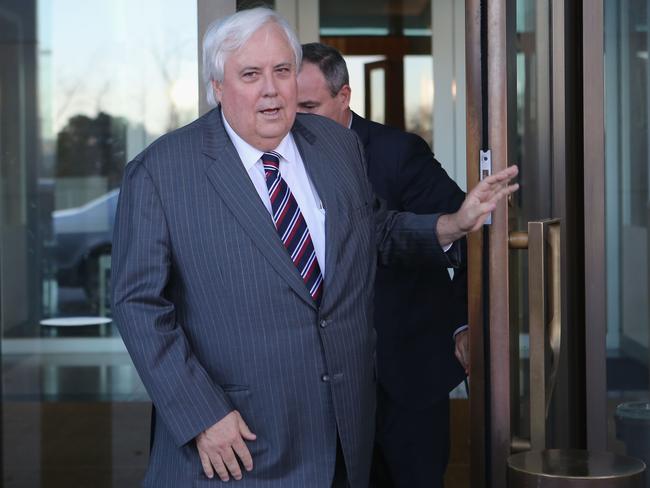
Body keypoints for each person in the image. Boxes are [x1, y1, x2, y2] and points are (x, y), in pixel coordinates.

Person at [111, 7, 517, 488]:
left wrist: (453, 222)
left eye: (282, 71)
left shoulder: (334, 145)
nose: (270, 88)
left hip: (343, 434)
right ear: (217, 86)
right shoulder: (161, 171)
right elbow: (138, 304)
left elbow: (371, 232)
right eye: (250, 74)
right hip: (237, 443)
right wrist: (200, 415)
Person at [297, 43, 469, 488]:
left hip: (405, 371)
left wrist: (465, 324)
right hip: (323, 385)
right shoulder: (279, 159)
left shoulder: (398, 153)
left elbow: (468, 236)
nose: (297, 120)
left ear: (344, 96)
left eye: (310, 107)